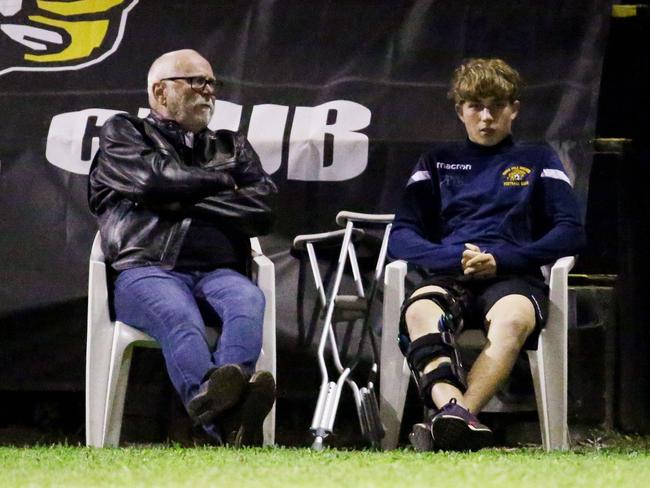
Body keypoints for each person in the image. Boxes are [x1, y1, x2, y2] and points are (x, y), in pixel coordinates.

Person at [387, 58, 585, 451]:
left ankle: (454, 418)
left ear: (514, 108)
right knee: (418, 312)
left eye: (496, 105)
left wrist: (503, 259)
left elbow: (571, 232)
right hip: (450, 276)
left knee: (512, 321)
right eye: (476, 106)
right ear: (460, 110)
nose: (486, 116)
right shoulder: (436, 162)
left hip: (514, 279)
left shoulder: (539, 160)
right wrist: (452, 258)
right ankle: (455, 417)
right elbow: (401, 236)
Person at [88, 49, 277, 447]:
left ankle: (220, 421)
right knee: (181, 319)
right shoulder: (124, 132)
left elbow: (264, 207)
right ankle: (227, 423)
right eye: (197, 82)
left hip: (220, 272)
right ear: (160, 92)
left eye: (212, 84)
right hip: (147, 269)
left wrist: (179, 193)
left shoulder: (231, 146)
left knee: (248, 302)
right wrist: (226, 183)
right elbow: (150, 181)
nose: (209, 93)